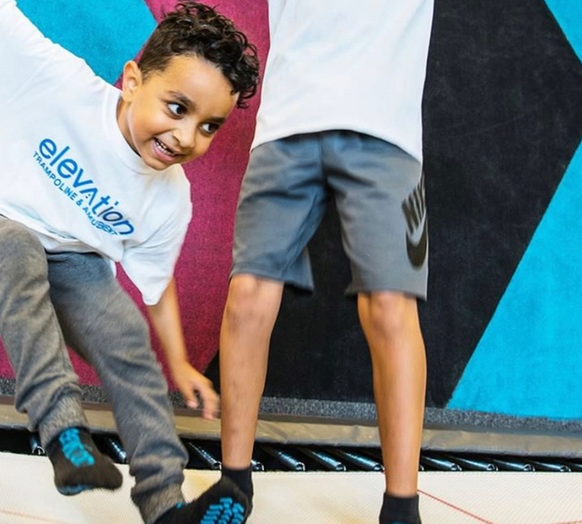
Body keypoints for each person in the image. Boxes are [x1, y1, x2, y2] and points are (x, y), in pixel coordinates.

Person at [0, 0, 259, 523]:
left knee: (125, 334)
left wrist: (177, 363)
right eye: (176, 108)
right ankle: (64, 432)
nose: (187, 138)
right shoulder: (51, 78)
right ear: (131, 81)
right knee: (17, 246)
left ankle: (165, 504)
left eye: (209, 126)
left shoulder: (170, 197)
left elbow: (156, 284)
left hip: (68, 264)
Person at [215, 0, 434, 523]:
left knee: (389, 307)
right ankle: (233, 486)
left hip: (387, 136)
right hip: (286, 126)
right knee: (247, 300)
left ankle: (402, 509)